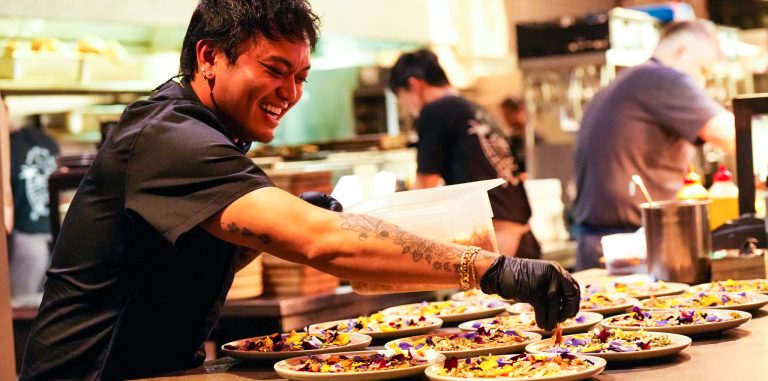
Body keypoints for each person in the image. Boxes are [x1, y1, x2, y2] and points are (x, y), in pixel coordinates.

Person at [19, 1, 579, 380]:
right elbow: (325, 245)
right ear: (209, 57)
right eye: (274, 69)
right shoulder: (170, 137)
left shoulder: (206, 132)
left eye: (301, 76)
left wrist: (268, 233)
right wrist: (494, 270)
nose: (290, 92)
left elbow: (167, 260)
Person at [572, 20, 735, 271]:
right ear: (682, 51)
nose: (703, 83)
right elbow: (735, 135)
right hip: (631, 252)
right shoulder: (664, 79)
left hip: (601, 246)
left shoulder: (630, 79)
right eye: (704, 70)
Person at [389, 49, 541, 259]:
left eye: (402, 98)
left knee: (480, 294)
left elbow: (424, 188)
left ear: (414, 85)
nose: (407, 107)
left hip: (499, 239)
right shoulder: (469, 107)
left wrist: (393, 231)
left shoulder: (435, 111)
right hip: (522, 235)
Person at [7, 113, 60, 302]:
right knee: (51, 302)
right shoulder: (50, 144)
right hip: (55, 233)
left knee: (20, 304)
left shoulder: (10, 146)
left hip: (27, 232)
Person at [499, 96, 544, 180]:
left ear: (521, 111)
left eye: (509, 114)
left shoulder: (536, 139)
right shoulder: (509, 140)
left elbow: (545, 165)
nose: (506, 119)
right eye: (504, 115)